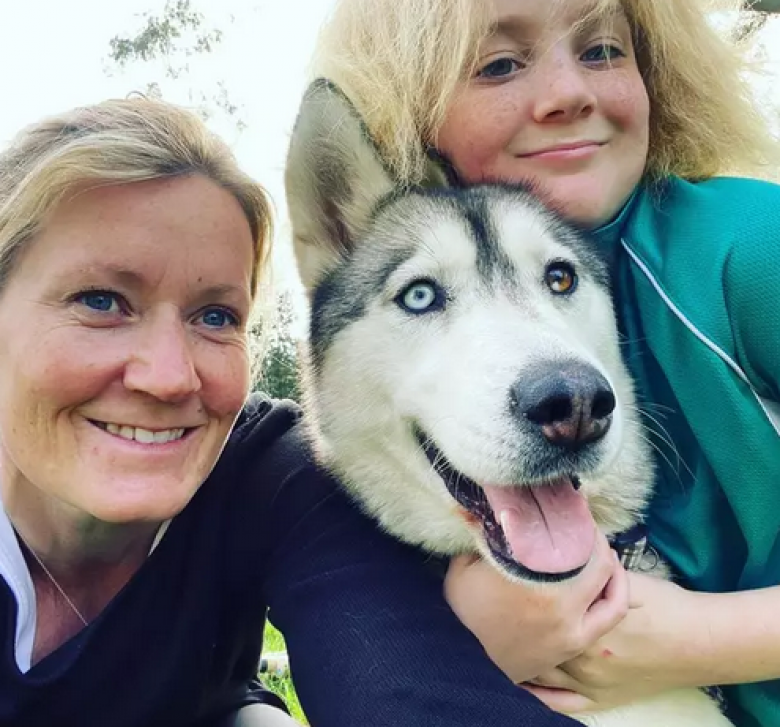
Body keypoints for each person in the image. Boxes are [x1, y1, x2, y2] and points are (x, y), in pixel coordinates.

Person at [0, 95, 590, 727]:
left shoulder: (270, 472)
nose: (170, 376)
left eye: (216, 316)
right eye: (100, 301)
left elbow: (396, 673)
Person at [309, 0, 780, 725]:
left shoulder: (751, 247)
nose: (566, 92)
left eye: (603, 49)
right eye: (498, 64)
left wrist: (711, 638)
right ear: (412, 100)